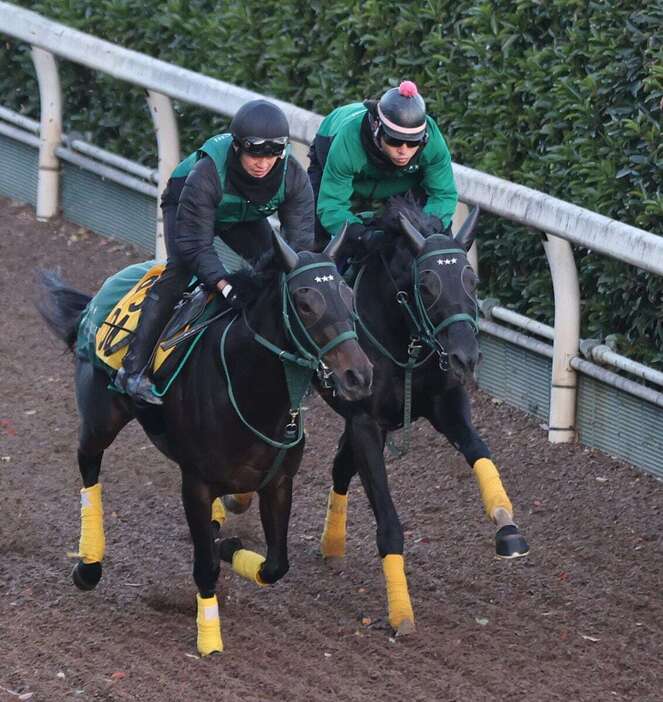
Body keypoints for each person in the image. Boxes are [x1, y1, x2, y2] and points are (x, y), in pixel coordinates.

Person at [115, 99, 315, 404]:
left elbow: (298, 249)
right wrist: (224, 285)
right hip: (187, 202)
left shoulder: (294, 177)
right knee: (180, 272)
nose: (263, 164)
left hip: (241, 215)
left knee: (278, 271)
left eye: (273, 155)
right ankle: (132, 370)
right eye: (254, 154)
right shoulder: (207, 172)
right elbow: (196, 246)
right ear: (237, 148)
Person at [308, 80, 458, 253]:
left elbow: (443, 194)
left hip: (402, 180)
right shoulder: (348, 142)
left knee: (435, 236)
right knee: (314, 239)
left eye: (413, 143)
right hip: (335, 151)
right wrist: (362, 235)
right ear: (377, 128)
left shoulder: (433, 142)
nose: (403, 151)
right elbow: (331, 206)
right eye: (394, 140)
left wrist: (430, 225)